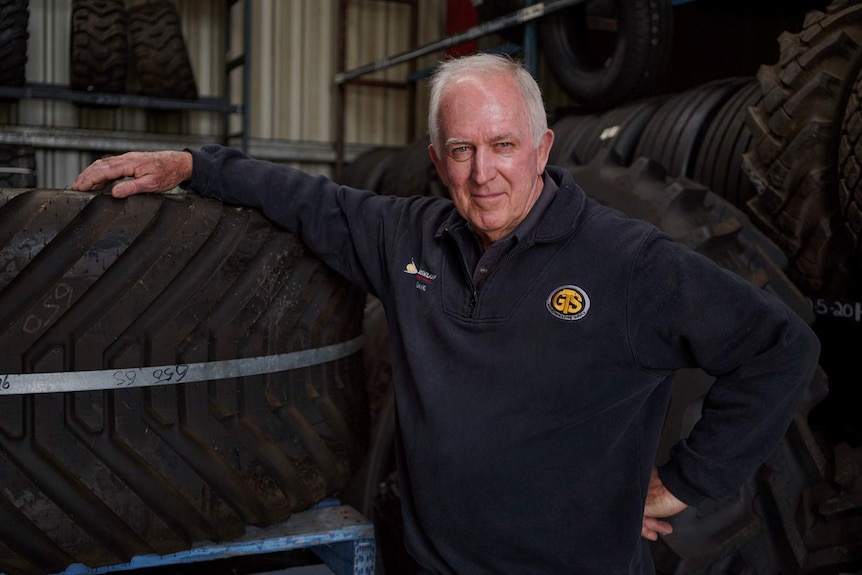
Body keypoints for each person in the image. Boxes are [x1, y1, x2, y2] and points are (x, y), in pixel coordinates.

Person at [73, 53, 820, 574]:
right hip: (427, 565)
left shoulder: (631, 264)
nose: (482, 171)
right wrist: (194, 166)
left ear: (542, 147)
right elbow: (308, 201)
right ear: (437, 159)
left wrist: (681, 483)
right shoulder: (409, 238)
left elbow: (779, 349)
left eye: (503, 145)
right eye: (460, 149)